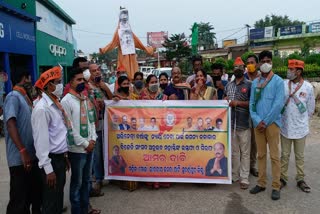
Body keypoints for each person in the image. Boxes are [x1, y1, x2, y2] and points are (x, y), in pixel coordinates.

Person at [3, 67, 42, 214]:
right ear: (24, 79)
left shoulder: (25, 99)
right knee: (19, 200)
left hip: (30, 158)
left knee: (32, 197)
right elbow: (10, 123)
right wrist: (23, 150)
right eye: (29, 79)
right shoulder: (13, 96)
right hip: (20, 159)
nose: (31, 82)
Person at [31, 66, 69, 214]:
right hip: (50, 161)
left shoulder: (55, 104)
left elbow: (58, 134)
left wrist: (64, 155)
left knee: (58, 198)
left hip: (59, 158)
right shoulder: (42, 109)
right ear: (48, 85)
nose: (60, 85)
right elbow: (40, 142)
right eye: (58, 82)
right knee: (50, 202)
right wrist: (48, 170)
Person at [61, 68, 98, 214]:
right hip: (77, 150)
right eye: (78, 80)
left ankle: (85, 208)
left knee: (86, 181)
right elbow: (69, 128)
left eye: (83, 79)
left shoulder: (84, 98)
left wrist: (93, 140)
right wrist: (85, 144)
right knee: (77, 183)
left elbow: (91, 122)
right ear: (71, 82)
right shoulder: (66, 101)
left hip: (90, 146)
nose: (82, 82)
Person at [249, 50, 284, 201]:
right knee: (261, 155)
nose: (265, 63)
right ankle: (261, 183)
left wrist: (266, 121)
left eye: (268, 60)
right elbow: (251, 104)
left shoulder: (278, 81)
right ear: (259, 64)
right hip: (258, 125)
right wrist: (257, 121)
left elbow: (278, 104)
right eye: (262, 61)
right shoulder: (255, 83)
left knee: (275, 156)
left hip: (272, 124)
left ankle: (276, 186)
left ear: (272, 62)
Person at [280, 59, 315, 193]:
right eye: (288, 69)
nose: (288, 72)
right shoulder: (283, 84)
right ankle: (283, 178)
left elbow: (310, 109)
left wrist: (302, 121)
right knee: (284, 155)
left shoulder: (308, 87)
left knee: (300, 156)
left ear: (299, 71)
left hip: (300, 128)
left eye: (291, 69)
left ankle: (300, 179)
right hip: (285, 127)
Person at [224, 60, 252, 189]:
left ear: (244, 68)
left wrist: (237, 103)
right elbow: (225, 99)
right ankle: (235, 175)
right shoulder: (229, 85)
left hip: (244, 123)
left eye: (240, 66)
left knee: (245, 152)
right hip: (231, 124)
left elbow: (252, 104)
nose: (238, 68)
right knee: (234, 152)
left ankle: (244, 178)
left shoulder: (250, 84)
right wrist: (225, 101)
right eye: (235, 66)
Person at [88, 63, 112, 196]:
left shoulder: (102, 85)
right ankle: (97, 179)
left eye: (98, 70)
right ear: (89, 74)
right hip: (95, 125)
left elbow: (112, 99)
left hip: (106, 124)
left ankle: (103, 176)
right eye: (93, 71)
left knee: (104, 152)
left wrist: (105, 88)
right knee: (96, 154)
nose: (97, 72)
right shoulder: (88, 87)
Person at [246, 54, 260, 177]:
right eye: (248, 63)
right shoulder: (242, 77)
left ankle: (252, 165)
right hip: (245, 114)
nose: (250, 65)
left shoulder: (262, 77)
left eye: (252, 62)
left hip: (257, 114)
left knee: (255, 142)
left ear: (257, 64)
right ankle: (243, 165)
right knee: (245, 141)